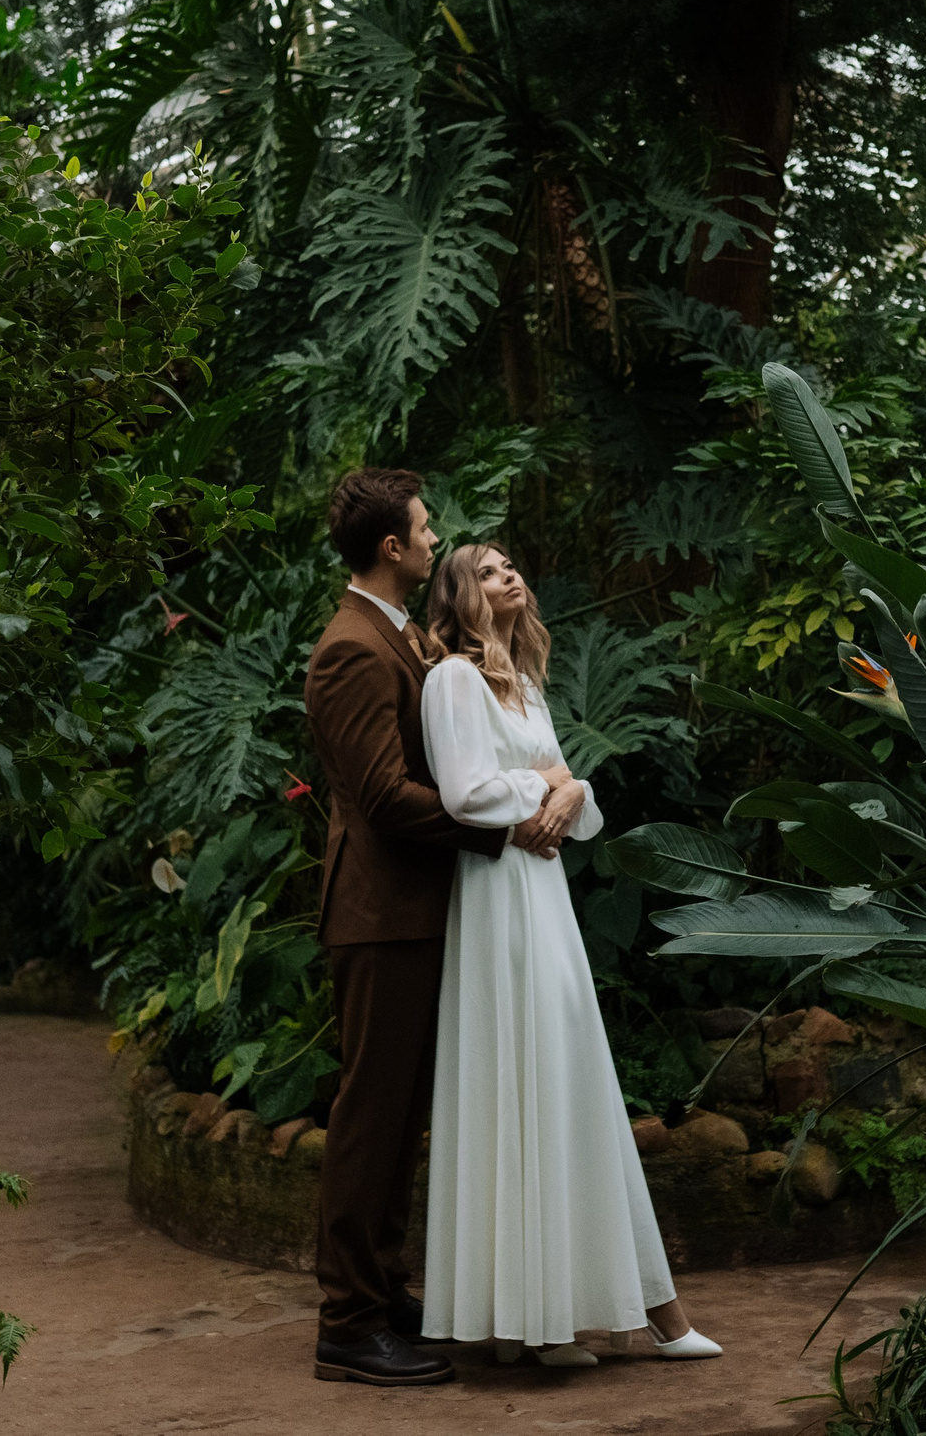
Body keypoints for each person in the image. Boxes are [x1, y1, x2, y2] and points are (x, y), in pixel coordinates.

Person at [418, 542, 722, 1366]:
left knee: (567, 1076)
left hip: (544, 893)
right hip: (498, 897)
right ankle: (541, 1322)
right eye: (486, 570)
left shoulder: (524, 684)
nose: (508, 575)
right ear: (457, 594)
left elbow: (567, 798)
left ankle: (589, 1312)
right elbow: (465, 791)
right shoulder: (451, 680)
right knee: (525, 1076)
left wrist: (572, 790)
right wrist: (545, 788)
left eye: (511, 565)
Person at [302, 471, 565, 1387]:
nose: (430, 538)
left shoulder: (400, 636)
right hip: (380, 913)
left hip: (419, 908)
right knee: (372, 1115)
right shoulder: (350, 649)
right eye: (422, 529)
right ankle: (348, 1320)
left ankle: (383, 1290)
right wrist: (501, 822)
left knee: (404, 1110)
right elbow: (380, 794)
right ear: (391, 548)